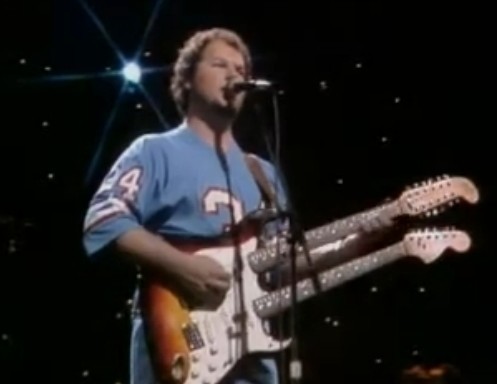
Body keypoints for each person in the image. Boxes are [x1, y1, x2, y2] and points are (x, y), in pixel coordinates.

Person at [82, 27, 393, 384]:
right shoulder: (154, 151)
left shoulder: (263, 173)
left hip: (254, 350)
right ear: (186, 78)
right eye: (220, 64)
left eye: (242, 69)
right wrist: (184, 268)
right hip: (179, 334)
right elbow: (103, 219)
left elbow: (281, 268)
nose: (235, 75)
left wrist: (359, 242)